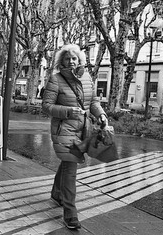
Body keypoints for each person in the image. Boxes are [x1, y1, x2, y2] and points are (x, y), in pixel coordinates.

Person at [42, 44, 107, 230]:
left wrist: (101, 114)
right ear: (61, 61)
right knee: (71, 167)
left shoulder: (87, 77)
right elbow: (46, 107)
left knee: (68, 162)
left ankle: (56, 193)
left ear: (80, 61)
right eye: (67, 58)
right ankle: (70, 213)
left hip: (84, 129)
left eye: (74, 58)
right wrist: (68, 111)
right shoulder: (55, 79)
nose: (71, 61)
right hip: (65, 129)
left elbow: (92, 101)